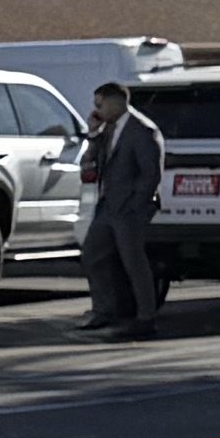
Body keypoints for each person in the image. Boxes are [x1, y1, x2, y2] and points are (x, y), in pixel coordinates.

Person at [79, 79, 166, 338]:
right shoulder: (107, 128)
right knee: (93, 255)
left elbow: (151, 174)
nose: (97, 110)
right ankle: (103, 311)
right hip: (107, 206)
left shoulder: (142, 130)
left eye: (100, 104)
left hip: (130, 209)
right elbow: (90, 159)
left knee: (133, 261)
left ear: (116, 102)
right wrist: (93, 133)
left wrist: (135, 204)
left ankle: (146, 317)